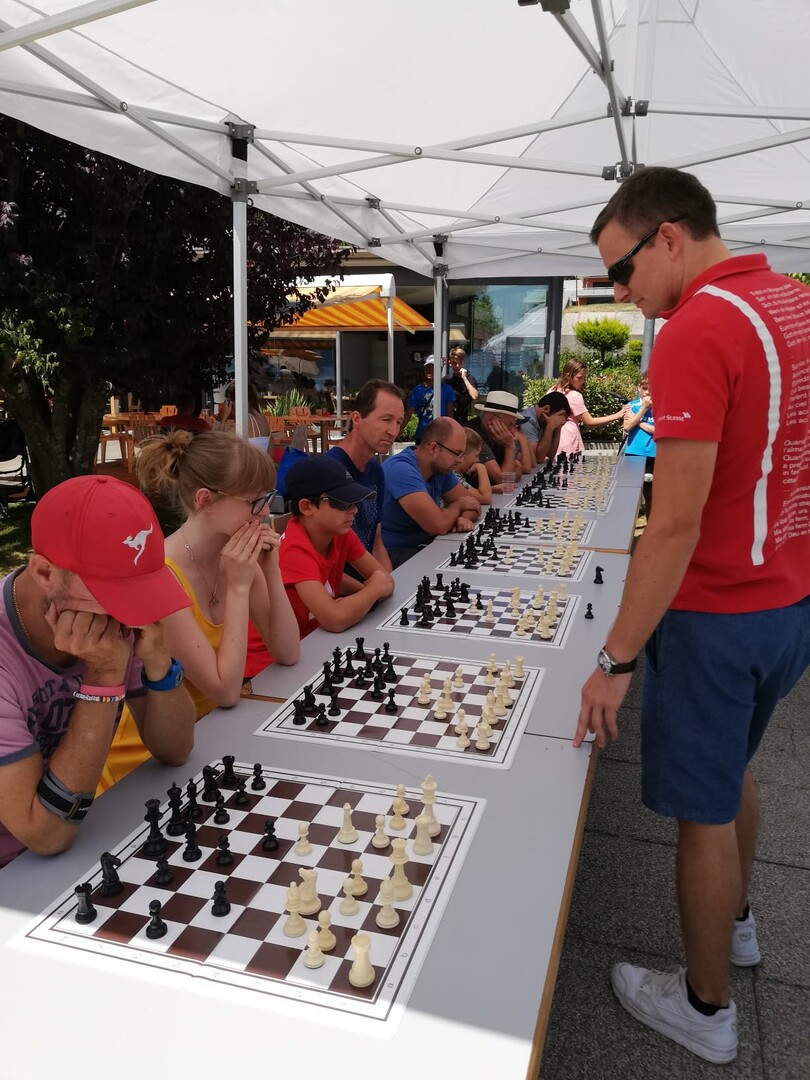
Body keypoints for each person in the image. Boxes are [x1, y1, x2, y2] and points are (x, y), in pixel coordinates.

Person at [575, 166, 810, 1064]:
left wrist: (616, 659)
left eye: (622, 270)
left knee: (702, 811)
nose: (622, 294)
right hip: (789, 601)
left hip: (716, 613)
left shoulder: (697, 327)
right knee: (732, 769)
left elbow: (673, 523)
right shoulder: (795, 302)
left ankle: (707, 1008)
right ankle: (737, 921)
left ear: (668, 236)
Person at [0, 475, 196, 866]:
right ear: (45, 574)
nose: (130, 614)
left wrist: (158, 659)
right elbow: (45, 834)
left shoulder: (113, 620)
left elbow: (175, 750)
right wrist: (103, 678)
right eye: (113, 594)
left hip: (88, 831)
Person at [99, 430, 299, 790]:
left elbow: (287, 652)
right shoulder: (161, 575)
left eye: (268, 498)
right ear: (206, 499)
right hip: (143, 764)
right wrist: (238, 588)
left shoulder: (237, 557)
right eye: (254, 501)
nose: (266, 512)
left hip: (211, 739)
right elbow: (225, 691)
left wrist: (271, 568)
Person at [280, 455, 395, 636]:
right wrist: (372, 592)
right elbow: (335, 619)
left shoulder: (340, 533)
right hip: (282, 650)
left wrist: (365, 596)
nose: (354, 509)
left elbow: (385, 579)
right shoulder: (294, 550)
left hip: (318, 637)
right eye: (341, 503)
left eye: (354, 501)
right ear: (307, 507)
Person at [326, 378, 405, 573]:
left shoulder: (376, 470)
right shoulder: (329, 470)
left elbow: (376, 541)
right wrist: (376, 587)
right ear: (357, 419)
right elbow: (322, 565)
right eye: (386, 420)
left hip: (370, 580)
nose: (394, 431)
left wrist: (390, 582)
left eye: (398, 422)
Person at [381, 417, 481, 567]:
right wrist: (458, 507)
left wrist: (464, 518)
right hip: (392, 553)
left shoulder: (441, 468)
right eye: (457, 453)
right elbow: (438, 525)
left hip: (423, 544)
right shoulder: (401, 469)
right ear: (433, 448)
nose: (460, 460)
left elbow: (472, 505)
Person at [550, 359, 628, 456]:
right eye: (579, 378)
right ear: (568, 375)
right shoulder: (574, 396)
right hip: (569, 443)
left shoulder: (552, 390)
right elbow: (589, 422)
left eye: (584, 377)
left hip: (551, 442)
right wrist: (617, 415)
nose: (582, 381)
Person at [466, 390, 531, 483]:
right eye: (510, 425)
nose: (513, 431)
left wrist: (509, 473)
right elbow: (503, 479)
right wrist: (510, 447)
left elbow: (519, 468)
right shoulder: (474, 435)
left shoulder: (498, 436)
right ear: (491, 420)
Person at [623, 372, 656, 518]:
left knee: (650, 494)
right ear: (639, 388)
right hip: (634, 454)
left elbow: (657, 430)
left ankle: (650, 526)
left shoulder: (661, 406)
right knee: (632, 494)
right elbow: (627, 426)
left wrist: (639, 422)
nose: (647, 392)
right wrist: (643, 409)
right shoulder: (631, 405)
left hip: (654, 454)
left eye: (651, 388)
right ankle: (627, 527)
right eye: (645, 388)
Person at [403, 356, 455, 444]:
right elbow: (409, 413)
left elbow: (450, 414)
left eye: (433, 368)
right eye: (428, 367)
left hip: (440, 435)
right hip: (422, 434)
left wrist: (451, 434)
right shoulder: (418, 390)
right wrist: (400, 430)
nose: (430, 370)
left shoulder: (447, 389)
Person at [519, 391, 571, 465]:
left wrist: (558, 428)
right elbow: (537, 459)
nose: (558, 421)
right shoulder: (527, 420)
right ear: (546, 409)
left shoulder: (542, 420)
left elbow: (550, 454)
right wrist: (550, 427)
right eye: (558, 416)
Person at [454, 427, 493, 504]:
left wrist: (492, 489)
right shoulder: (453, 476)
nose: (478, 460)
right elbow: (486, 498)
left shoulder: (457, 475)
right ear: (463, 454)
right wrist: (482, 468)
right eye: (476, 455)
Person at [444, 347, 479, 421]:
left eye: (460, 363)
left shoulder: (470, 379)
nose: (457, 366)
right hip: (448, 418)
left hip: (463, 419)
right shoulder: (447, 380)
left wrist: (464, 378)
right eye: (454, 363)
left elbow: (474, 396)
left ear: (463, 363)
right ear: (450, 363)